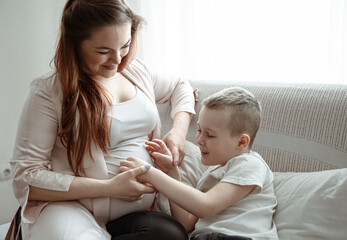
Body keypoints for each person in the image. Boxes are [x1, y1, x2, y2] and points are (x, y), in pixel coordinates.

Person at [9, 0, 195, 239]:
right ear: (74, 44)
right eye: (103, 51)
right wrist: (110, 188)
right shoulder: (49, 92)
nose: (117, 60)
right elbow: (25, 178)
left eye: (125, 45)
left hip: (131, 214)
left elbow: (181, 87)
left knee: (172, 235)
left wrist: (178, 132)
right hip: (71, 208)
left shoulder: (135, 71)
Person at [120, 87, 279, 240]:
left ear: (241, 142)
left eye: (210, 135)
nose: (199, 140)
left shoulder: (250, 164)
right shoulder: (212, 172)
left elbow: (205, 206)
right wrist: (172, 172)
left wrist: (151, 174)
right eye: (199, 130)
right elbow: (186, 223)